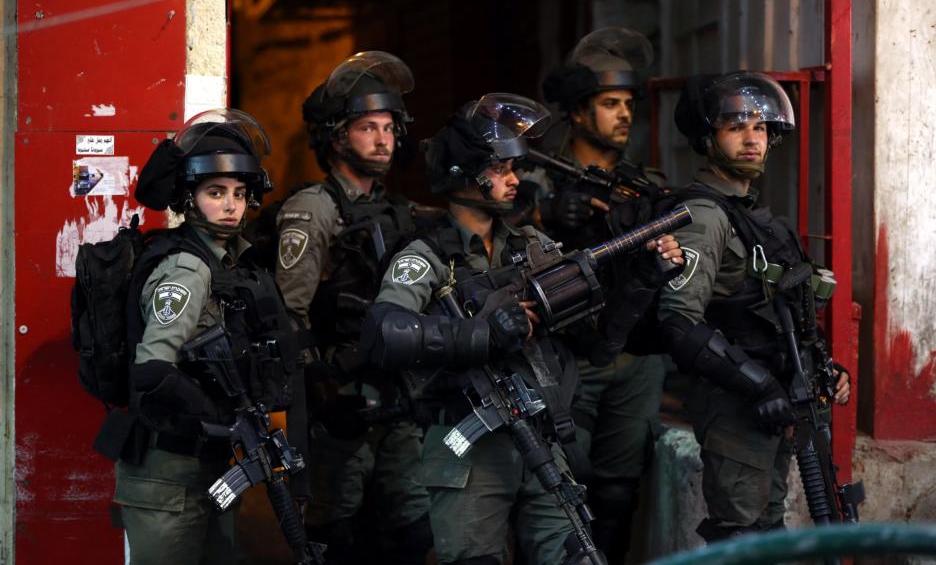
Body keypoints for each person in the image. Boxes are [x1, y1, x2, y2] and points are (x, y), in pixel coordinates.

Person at [360, 93, 682, 564]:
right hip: (469, 454)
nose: (514, 180)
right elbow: (384, 331)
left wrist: (642, 282)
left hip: (542, 443)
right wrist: (482, 335)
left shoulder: (532, 248)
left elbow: (596, 342)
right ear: (462, 174)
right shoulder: (428, 256)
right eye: (500, 170)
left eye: (512, 168)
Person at [660, 71, 851, 542]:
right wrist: (759, 385)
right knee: (740, 535)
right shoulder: (705, 216)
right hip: (736, 404)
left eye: (761, 128)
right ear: (708, 138)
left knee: (768, 530)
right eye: (736, 126)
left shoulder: (755, 214)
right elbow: (678, 321)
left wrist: (824, 366)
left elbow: (785, 307)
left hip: (779, 398)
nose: (752, 138)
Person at [114, 108, 306, 564]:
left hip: (207, 466)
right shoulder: (187, 267)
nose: (230, 204)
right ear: (189, 198)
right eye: (215, 192)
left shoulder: (230, 263)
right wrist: (217, 415)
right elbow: (152, 369)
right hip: (167, 475)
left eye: (240, 193)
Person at [274, 51, 432, 564]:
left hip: (398, 391)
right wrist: (317, 387)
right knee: (336, 527)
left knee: (410, 527)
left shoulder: (397, 208)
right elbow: (288, 311)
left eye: (389, 127)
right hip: (340, 394)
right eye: (368, 127)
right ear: (338, 137)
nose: (384, 139)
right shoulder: (314, 208)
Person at [531, 27, 680, 563]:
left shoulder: (645, 184)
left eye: (627, 104)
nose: (624, 114)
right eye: (609, 103)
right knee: (555, 488)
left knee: (618, 491)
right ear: (576, 112)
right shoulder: (533, 180)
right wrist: (543, 215)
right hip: (566, 355)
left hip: (634, 359)